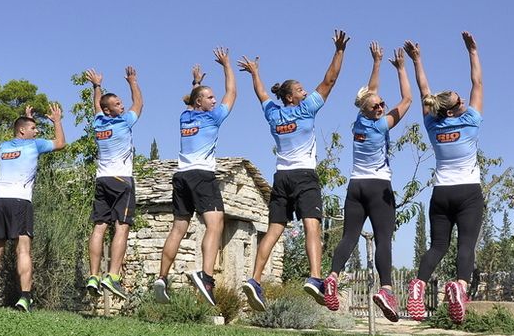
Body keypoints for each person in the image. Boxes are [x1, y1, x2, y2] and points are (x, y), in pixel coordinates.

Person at [237, 30, 349, 311]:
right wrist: (339, 51)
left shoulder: (273, 114)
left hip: (281, 178)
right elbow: (330, 81)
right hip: (303, 177)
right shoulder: (305, 109)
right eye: (300, 89)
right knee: (312, 225)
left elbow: (262, 94)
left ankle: (255, 279)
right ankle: (314, 277)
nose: (305, 91)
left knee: (274, 229)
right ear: (290, 97)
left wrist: (254, 73)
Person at [322, 43, 412, 320]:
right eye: (379, 105)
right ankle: (386, 289)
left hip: (354, 186)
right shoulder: (381, 124)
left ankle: (333, 276)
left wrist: (376, 62)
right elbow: (408, 99)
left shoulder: (358, 122)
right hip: (378, 186)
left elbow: (370, 93)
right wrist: (401, 69)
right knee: (384, 239)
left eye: (383, 104)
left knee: (350, 235)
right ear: (371, 110)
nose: (383, 106)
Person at [405, 31, 484, 324]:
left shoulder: (431, 124)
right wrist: (472, 52)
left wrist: (417, 60)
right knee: (466, 245)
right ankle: (460, 287)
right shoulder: (471, 121)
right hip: (468, 193)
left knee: (438, 246)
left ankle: (418, 284)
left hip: (440, 194)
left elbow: (424, 88)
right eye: (460, 99)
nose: (464, 99)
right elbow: (477, 82)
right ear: (454, 108)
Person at [152, 48, 237, 306]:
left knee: (179, 227)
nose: (214, 100)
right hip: (201, 175)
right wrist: (226, 65)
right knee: (216, 224)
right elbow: (232, 93)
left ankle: (162, 278)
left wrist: (196, 83)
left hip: (181, 177)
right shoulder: (212, 118)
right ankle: (206, 276)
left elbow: (191, 100)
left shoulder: (184, 116)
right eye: (210, 97)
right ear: (200, 102)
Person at [0, 104, 66, 311]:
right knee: (23, 250)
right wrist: (57, 121)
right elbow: (61, 143)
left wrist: (27, 119)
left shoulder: (4, 146)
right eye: (33, 129)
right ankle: (25, 298)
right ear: (23, 130)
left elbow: (21, 135)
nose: (37, 132)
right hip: (20, 200)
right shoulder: (34, 146)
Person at [83, 66, 143, 299]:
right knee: (122, 227)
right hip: (122, 180)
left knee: (99, 227)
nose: (122, 106)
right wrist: (132, 83)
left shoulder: (99, 123)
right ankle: (113, 276)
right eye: (118, 104)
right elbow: (139, 104)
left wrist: (96, 86)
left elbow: (96, 106)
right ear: (110, 110)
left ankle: (93, 275)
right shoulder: (123, 122)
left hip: (102, 180)